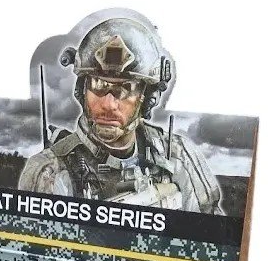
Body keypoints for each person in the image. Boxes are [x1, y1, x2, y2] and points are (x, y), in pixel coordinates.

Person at [20, 15, 222, 213]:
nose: (109, 104)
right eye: (98, 84)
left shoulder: (178, 156)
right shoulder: (50, 171)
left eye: (127, 87)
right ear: (82, 90)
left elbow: (211, 227)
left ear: (147, 97)